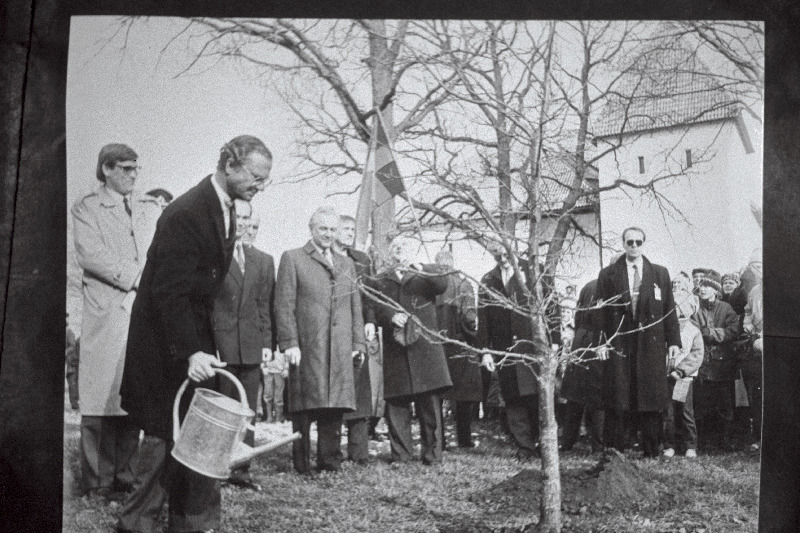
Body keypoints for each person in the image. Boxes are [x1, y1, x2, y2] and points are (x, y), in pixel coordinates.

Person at [117, 135, 272, 533]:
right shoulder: (187, 213)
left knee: (194, 433)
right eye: (256, 176)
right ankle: (136, 523)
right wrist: (190, 351)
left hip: (190, 338)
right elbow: (170, 292)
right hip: (162, 344)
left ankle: (190, 523)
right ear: (230, 165)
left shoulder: (225, 208)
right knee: (164, 433)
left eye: (265, 179)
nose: (261, 185)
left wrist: (201, 347)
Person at [71, 143, 162, 498]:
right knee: (99, 396)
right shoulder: (87, 208)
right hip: (106, 312)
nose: (134, 175)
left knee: (132, 394)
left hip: (141, 313)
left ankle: (125, 476)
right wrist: (136, 277)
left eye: (136, 169)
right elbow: (90, 254)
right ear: (106, 169)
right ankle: (97, 480)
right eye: (126, 168)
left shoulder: (148, 207)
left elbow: (157, 249)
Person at [275, 206, 366, 474]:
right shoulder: (293, 258)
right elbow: (284, 305)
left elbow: (355, 307)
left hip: (339, 346)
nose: (328, 234)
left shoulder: (347, 264)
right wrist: (290, 342)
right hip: (308, 345)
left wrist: (357, 343)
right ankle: (302, 463)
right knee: (304, 404)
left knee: (335, 404)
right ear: (311, 229)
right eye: (323, 228)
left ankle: (329, 462)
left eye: (332, 229)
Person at [366, 235, 451, 465]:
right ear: (391, 254)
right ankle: (401, 455)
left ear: (413, 252)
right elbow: (373, 306)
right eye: (396, 249)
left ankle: (432, 455)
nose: (400, 252)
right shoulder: (380, 279)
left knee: (430, 405)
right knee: (397, 404)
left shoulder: (425, 273)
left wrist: (421, 268)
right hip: (396, 349)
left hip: (425, 350)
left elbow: (442, 285)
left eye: (405, 249)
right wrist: (390, 316)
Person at [597, 227, 681, 458]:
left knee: (650, 397)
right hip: (620, 342)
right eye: (629, 242)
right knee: (618, 395)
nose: (634, 246)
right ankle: (615, 451)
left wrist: (673, 341)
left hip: (650, 344)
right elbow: (600, 312)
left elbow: (669, 310)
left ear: (644, 244)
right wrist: (601, 342)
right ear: (623, 244)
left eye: (638, 242)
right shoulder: (608, 275)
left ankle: (651, 450)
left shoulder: (660, 274)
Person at [212, 199, 275, 489]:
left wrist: (266, 343)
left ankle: (241, 469)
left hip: (250, 346)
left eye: (250, 220)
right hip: (221, 346)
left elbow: (264, 306)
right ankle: (217, 468)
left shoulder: (263, 260)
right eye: (241, 218)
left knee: (247, 410)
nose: (246, 226)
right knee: (223, 408)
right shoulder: (214, 254)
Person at [475, 244, 543, 460]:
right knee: (513, 398)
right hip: (504, 348)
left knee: (535, 396)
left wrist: (554, 342)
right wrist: (485, 351)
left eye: (507, 255)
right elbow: (483, 318)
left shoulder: (534, 272)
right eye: (498, 256)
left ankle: (540, 442)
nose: (503, 260)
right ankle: (525, 446)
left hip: (532, 346)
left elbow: (552, 308)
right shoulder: (488, 280)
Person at [333, 214, 378, 464]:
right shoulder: (326, 257)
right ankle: (331, 451)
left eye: (352, 229)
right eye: (346, 229)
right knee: (335, 388)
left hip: (357, 329)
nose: (350, 233)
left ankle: (359, 453)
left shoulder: (361, 260)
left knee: (360, 389)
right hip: (334, 330)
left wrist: (370, 320)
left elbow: (369, 294)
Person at [434, 249, 481, 449]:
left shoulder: (431, 286)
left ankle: (439, 441)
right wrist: (475, 338)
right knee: (464, 396)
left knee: (437, 396)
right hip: (461, 345)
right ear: (452, 264)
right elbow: (469, 318)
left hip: (436, 346)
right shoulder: (464, 285)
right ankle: (464, 439)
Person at [693, 270, 740, 451]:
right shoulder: (695, 308)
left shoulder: (726, 308)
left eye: (707, 286)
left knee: (724, 405)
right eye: (701, 286)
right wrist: (704, 333)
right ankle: (703, 443)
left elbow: (733, 330)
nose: (702, 289)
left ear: (715, 290)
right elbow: (694, 329)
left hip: (723, 365)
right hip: (702, 364)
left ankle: (724, 442)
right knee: (702, 404)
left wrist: (710, 333)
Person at [559, 279, 606, 453]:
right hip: (599, 340)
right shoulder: (609, 285)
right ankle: (598, 445)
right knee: (597, 396)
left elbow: (578, 315)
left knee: (575, 396)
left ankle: (567, 442)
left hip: (581, 339)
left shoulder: (589, 285)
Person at [663, 289, 704, 459]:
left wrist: (680, 371)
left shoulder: (693, 331)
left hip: (682, 379)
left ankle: (690, 445)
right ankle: (669, 444)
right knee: (669, 413)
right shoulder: (664, 327)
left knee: (685, 412)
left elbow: (696, 355)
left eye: (679, 307)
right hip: (666, 377)